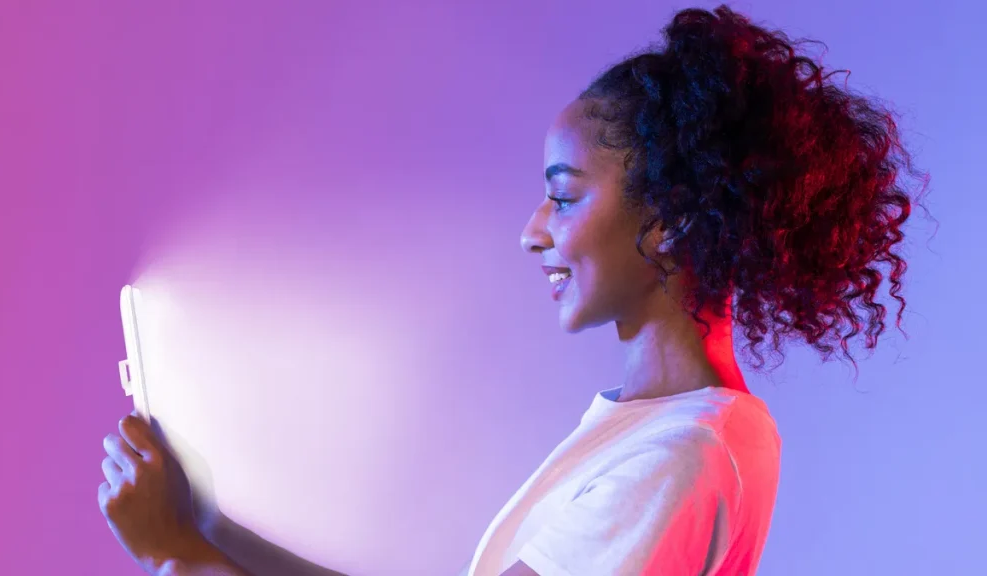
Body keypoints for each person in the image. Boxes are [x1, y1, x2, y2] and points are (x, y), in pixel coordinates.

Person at [99, 5, 923, 576]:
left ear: (668, 217)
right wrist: (206, 530)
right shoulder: (657, 435)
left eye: (563, 195)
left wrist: (175, 557)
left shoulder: (690, 451)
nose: (534, 229)